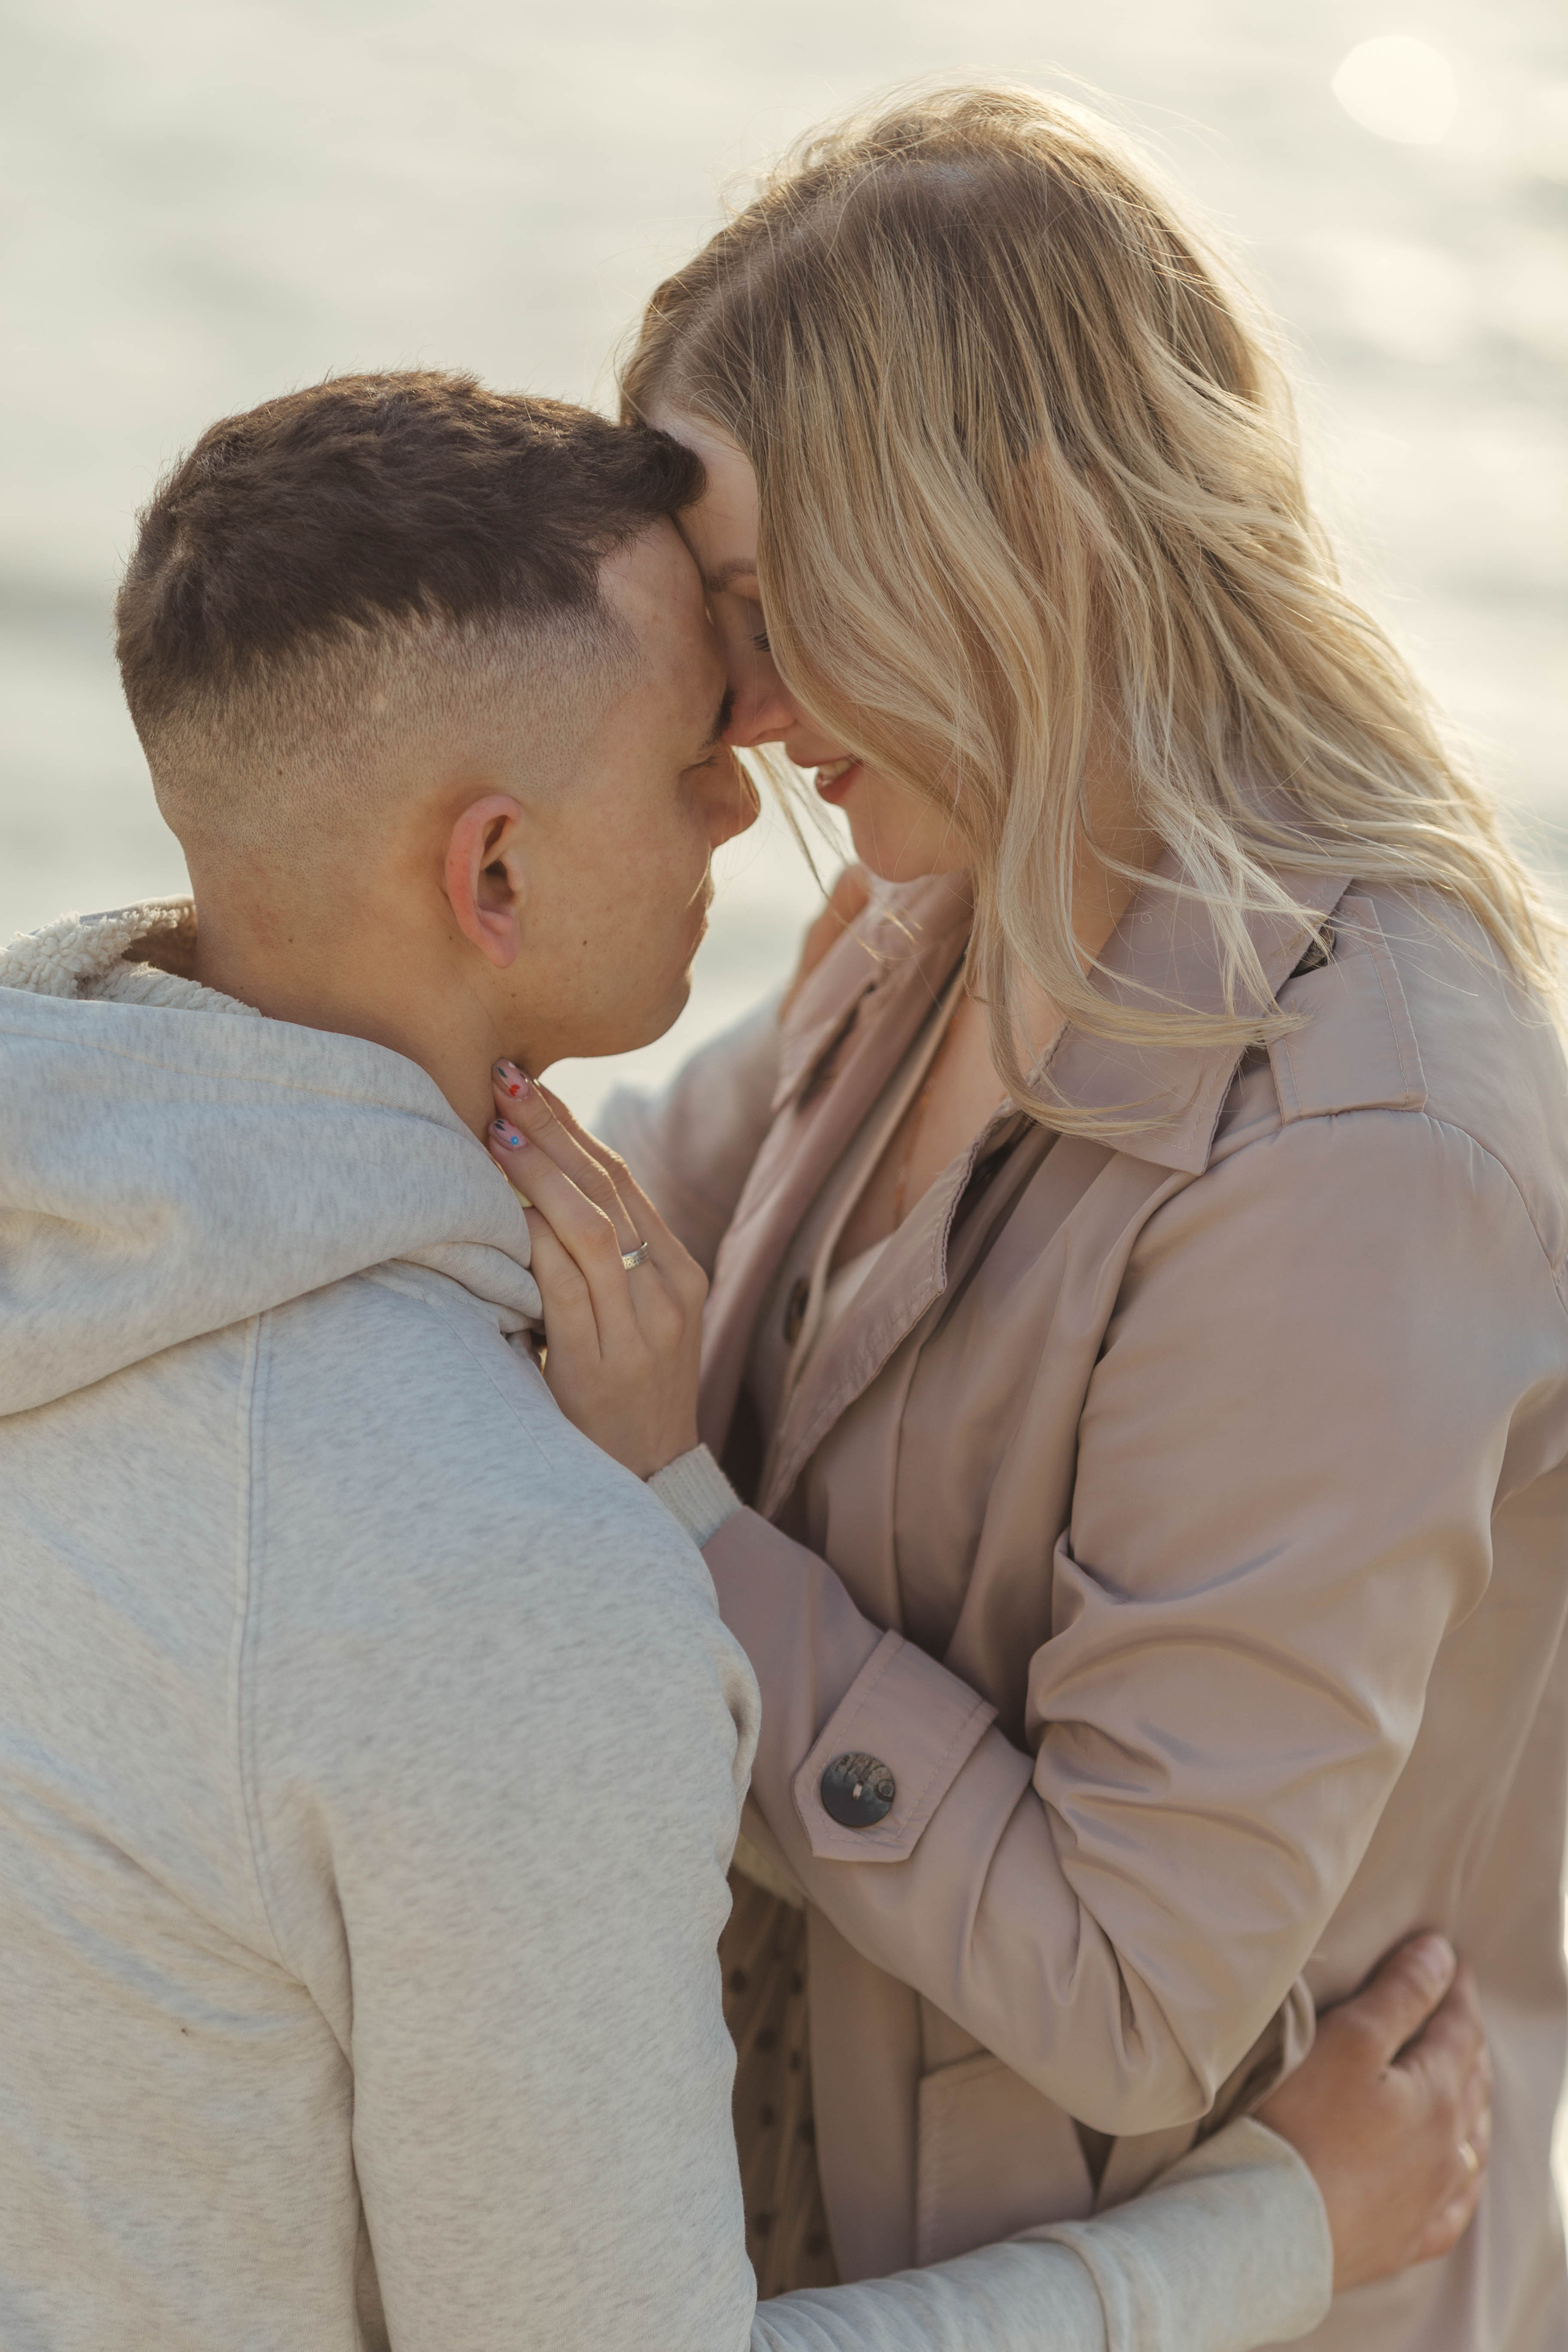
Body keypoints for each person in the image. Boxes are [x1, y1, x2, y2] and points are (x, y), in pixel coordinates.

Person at [0, 368, 1490, 2350]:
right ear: (495, 876)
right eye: (694, 741)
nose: (752, 780)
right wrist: (1280, 2233)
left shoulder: (75, 1246)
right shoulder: (506, 1587)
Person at [481, 83, 1568, 2351]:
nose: (744, 712)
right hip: (812, 2245)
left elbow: (1130, 1988)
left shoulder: (1364, 1154)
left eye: (772, 610)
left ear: (1015, 541)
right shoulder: (935, 915)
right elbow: (570, 1251)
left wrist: (679, 1519)